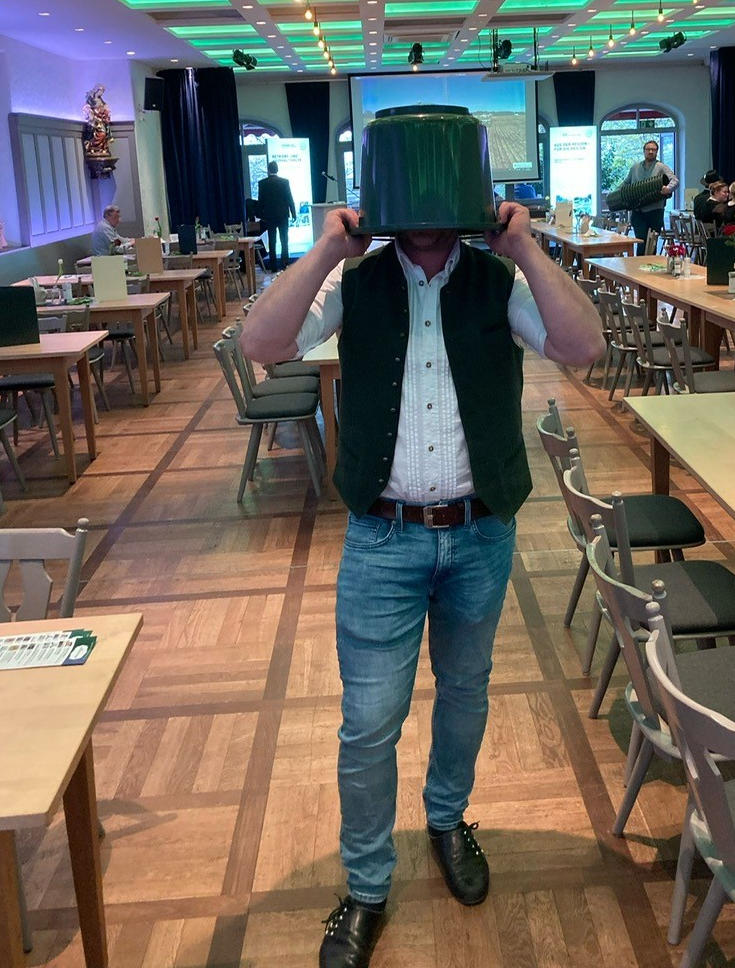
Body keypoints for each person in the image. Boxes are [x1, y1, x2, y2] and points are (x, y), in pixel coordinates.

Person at [241, 140, 604, 968]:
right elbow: (262, 344)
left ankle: (446, 820)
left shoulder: (499, 281)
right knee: (369, 725)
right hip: (382, 536)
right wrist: (326, 249)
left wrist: (525, 246)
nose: (431, 218)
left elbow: (583, 348)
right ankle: (367, 885)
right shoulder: (355, 282)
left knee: (466, 693)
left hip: (480, 532)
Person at [619, 139, 677, 250]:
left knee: (651, 244)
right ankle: (639, 261)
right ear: (644, 151)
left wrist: (668, 188)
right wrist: (616, 192)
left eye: (653, 150)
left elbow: (674, 180)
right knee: (640, 241)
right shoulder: (635, 167)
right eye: (648, 149)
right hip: (637, 212)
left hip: (655, 212)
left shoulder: (661, 167)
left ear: (656, 152)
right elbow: (626, 182)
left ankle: (650, 261)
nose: (650, 152)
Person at [256, 160, 297, 273]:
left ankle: (273, 265)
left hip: (270, 216)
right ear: (277, 169)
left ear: (268, 170)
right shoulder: (284, 182)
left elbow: (260, 201)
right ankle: (284, 264)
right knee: (284, 239)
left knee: (272, 240)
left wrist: (261, 215)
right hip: (283, 215)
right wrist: (293, 213)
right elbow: (289, 198)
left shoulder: (262, 183)